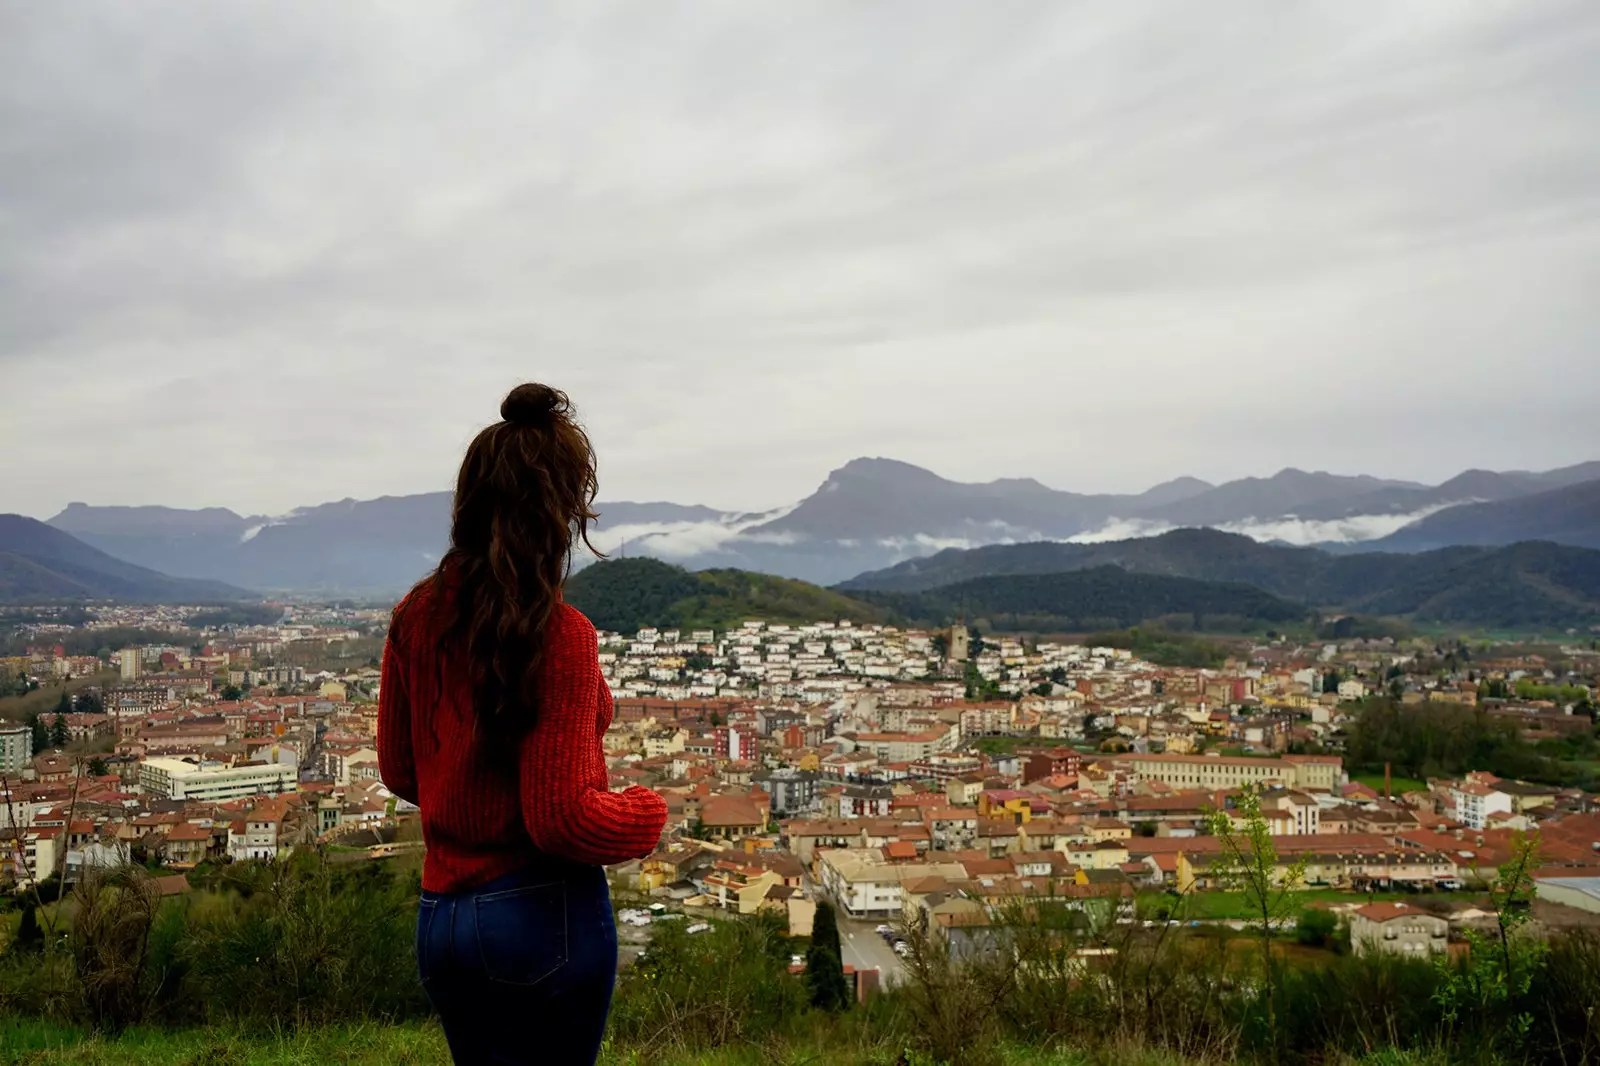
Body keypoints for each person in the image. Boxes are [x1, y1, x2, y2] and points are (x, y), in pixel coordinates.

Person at [378, 383, 668, 1065]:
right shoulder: (560, 635)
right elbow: (561, 819)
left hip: (441, 915)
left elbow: (399, 770)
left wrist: (469, 794)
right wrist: (646, 813)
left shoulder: (414, 616)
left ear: (470, 500)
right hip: (539, 916)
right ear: (562, 510)